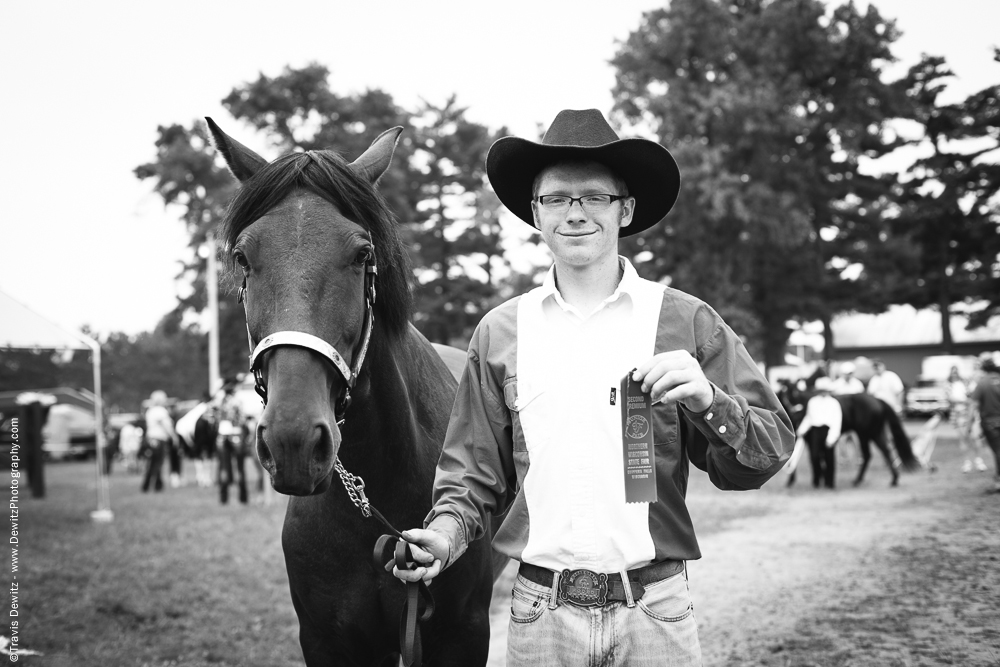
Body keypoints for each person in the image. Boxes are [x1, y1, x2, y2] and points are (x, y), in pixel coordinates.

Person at [392, 109, 795, 666]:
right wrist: (445, 535)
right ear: (535, 213)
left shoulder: (686, 321)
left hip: (656, 611)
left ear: (624, 208)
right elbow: (472, 472)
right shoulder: (501, 332)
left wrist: (709, 401)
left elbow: (766, 453)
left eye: (593, 197)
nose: (574, 213)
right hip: (539, 614)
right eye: (556, 198)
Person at [970, 353, 1000, 491]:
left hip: (990, 422)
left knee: (998, 451)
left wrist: (969, 423)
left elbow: (974, 404)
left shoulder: (982, 383)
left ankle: (998, 481)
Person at [947, 365, 985, 473]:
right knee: (963, 438)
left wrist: (966, 401)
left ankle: (979, 461)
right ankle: (967, 463)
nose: (954, 374)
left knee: (975, 437)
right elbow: (951, 399)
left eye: (956, 371)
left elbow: (972, 398)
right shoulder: (949, 385)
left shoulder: (966, 383)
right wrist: (966, 401)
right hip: (958, 415)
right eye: (952, 372)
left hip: (970, 413)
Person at [216, 381, 248, 505]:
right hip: (236, 434)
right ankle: (243, 498)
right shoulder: (237, 402)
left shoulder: (219, 403)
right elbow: (242, 419)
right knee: (240, 468)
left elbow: (216, 420)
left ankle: (223, 498)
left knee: (224, 467)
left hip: (222, 435)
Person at [142, 390, 177, 493]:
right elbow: (167, 426)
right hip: (159, 439)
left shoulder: (150, 411)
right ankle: (156, 485)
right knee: (157, 463)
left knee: (152, 463)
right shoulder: (161, 411)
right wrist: (174, 437)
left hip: (150, 439)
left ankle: (148, 485)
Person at [192, 404, 219, 488]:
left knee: (205, 462)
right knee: (204, 463)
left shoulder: (205, 421)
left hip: (204, 446)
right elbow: (204, 436)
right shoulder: (202, 421)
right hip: (203, 446)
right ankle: (203, 479)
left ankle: (204, 479)